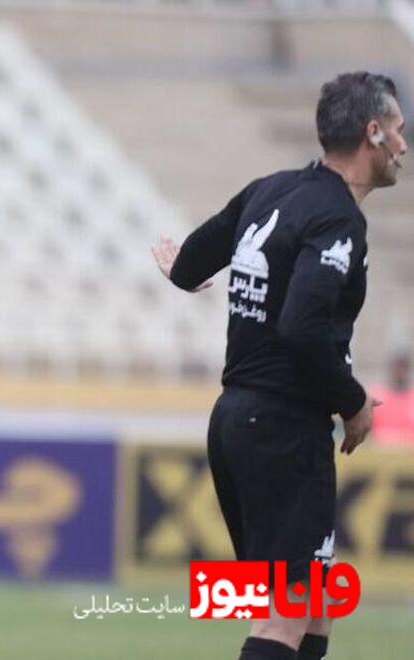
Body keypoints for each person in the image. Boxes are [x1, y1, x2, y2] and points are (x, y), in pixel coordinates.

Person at [151, 72, 406, 660]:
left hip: (239, 420)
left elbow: (190, 264)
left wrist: (182, 274)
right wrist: (353, 401)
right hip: (282, 430)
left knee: (316, 609)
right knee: (281, 620)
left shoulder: (271, 190)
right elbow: (302, 326)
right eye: (397, 129)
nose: (403, 144)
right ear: (372, 133)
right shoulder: (338, 218)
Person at [372, 351, 414, 445]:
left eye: (403, 368)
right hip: (381, 449)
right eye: (398, 368)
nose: (400, 372)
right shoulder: (378, 397)